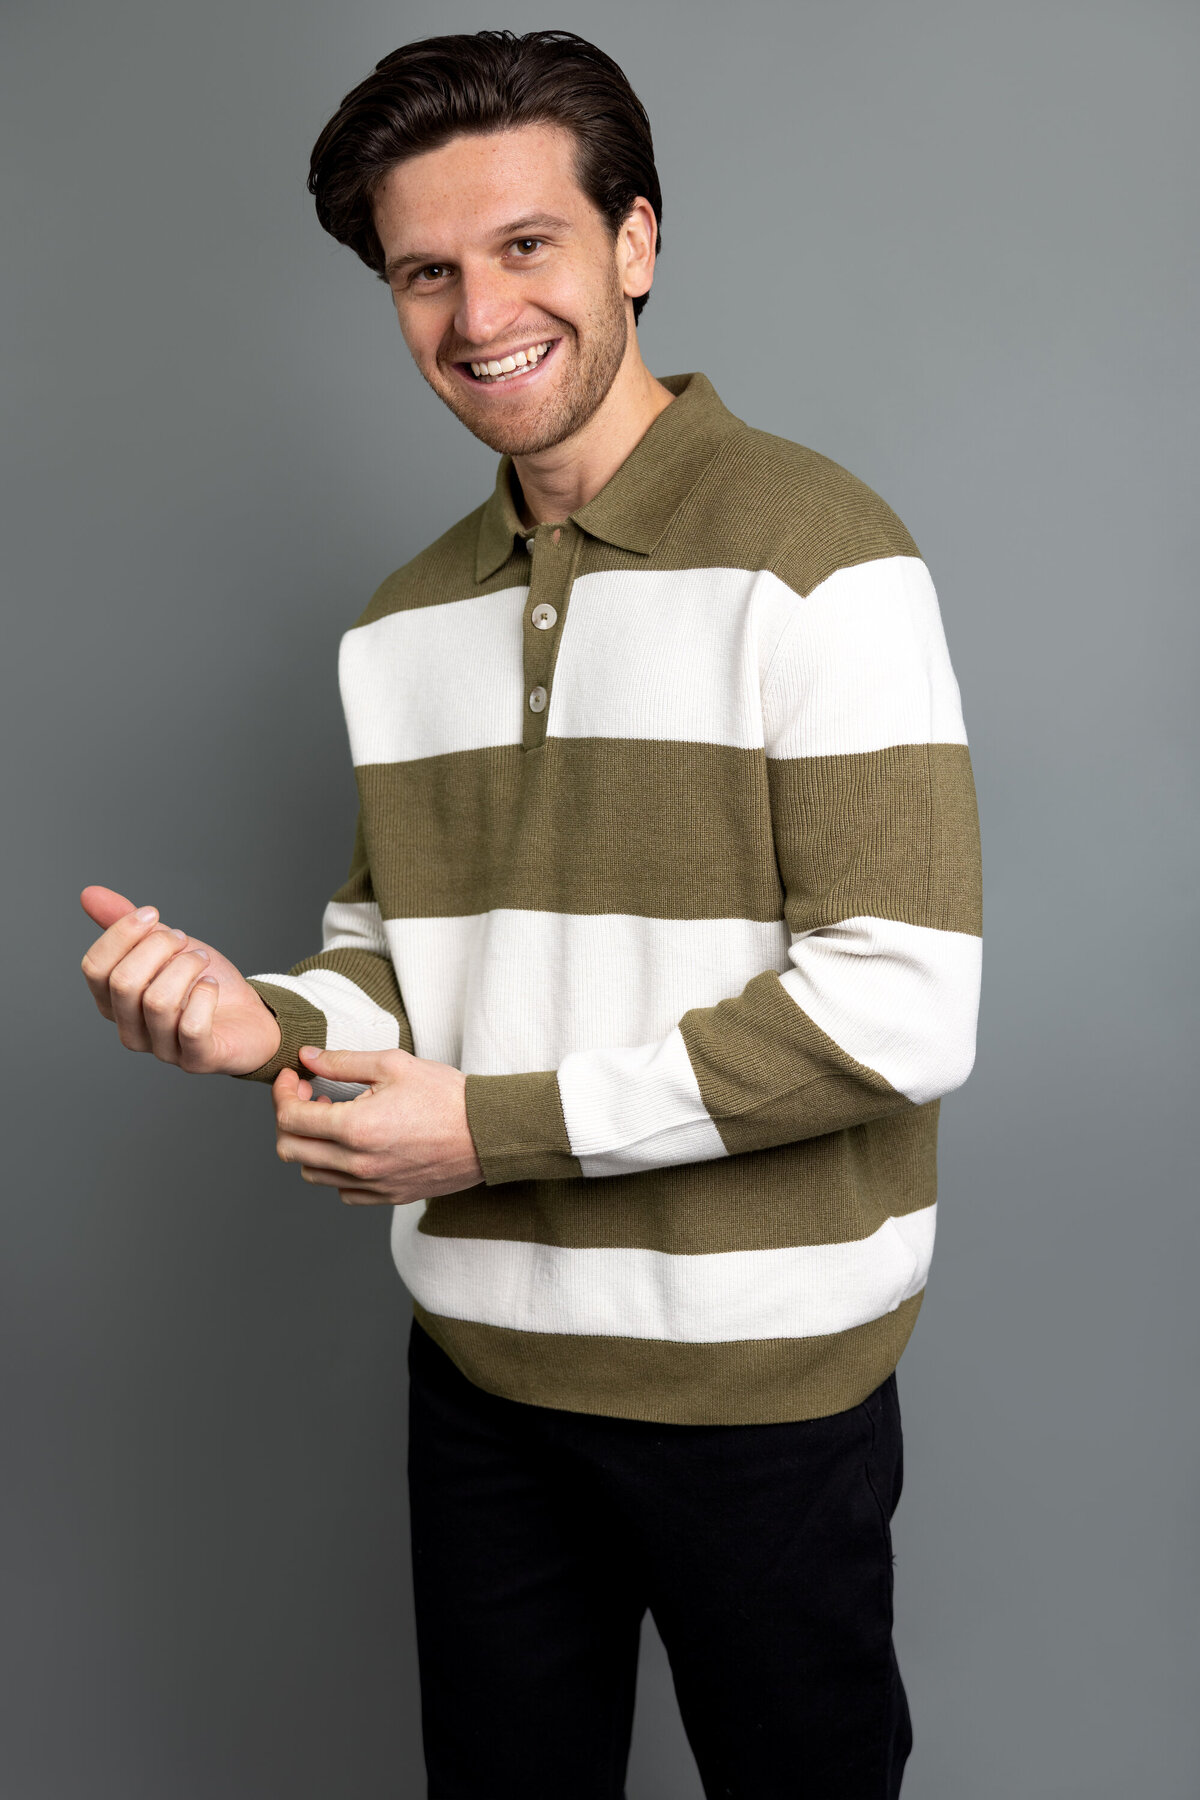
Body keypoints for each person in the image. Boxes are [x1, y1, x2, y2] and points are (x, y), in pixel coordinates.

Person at [79, 29, 982, 1798]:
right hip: (483, 1375)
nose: (478, 312)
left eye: (525, 245)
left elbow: (898, 1006)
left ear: (634, 241)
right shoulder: (401, 622)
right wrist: (262, 1022)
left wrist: (486, 1133)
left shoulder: (820, 553)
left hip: (759, 1390)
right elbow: (399, 959)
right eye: (424, 271)